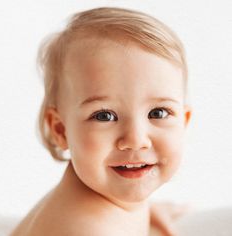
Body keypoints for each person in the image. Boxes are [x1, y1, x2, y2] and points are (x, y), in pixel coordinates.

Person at [10, 7, 192, 236]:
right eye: (104, 116)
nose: (136, 140)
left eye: (158, 113)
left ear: (184, 122)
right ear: (61, 130)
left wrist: (142, 213)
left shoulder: (106, 200)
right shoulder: (87, 230)